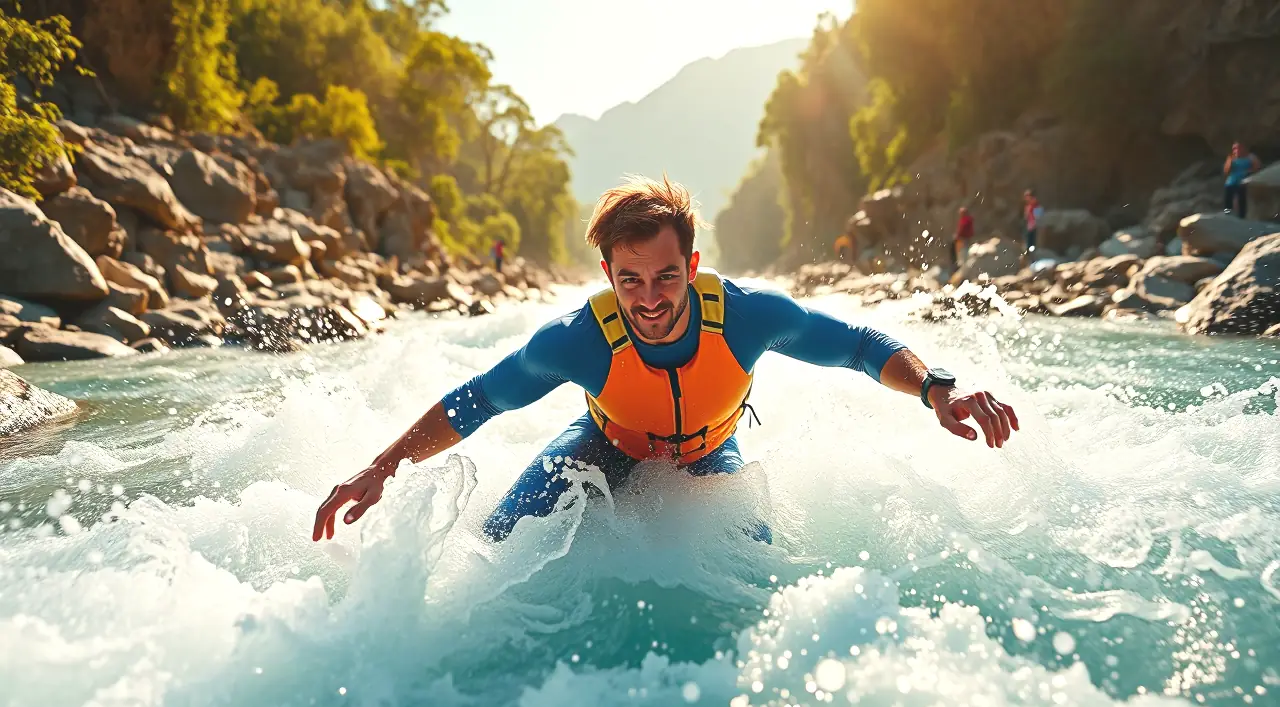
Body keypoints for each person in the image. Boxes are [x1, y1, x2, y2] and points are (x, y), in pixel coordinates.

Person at [312, 176, 1019, 545]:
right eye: (630, 279)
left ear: (694, 265)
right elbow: (479, 401)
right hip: (603, 447)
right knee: (500, 544)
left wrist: (936, 390)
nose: (648, 300)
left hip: (712, 455)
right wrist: (381, 468)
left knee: (750, 569)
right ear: (607, 271)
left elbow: (861, 346)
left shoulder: (747, 316)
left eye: (666, 277)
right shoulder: (573, 341)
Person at [1224, 141, 1262, 217]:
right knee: (1228, 199)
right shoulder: (1232, 157)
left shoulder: (1250, 157)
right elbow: (1226, 170)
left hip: (1244, 181)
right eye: (1234, 148)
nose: (1236, 150)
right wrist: (1230, 162)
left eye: (1238, 148)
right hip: (1231, 182)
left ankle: (1242, 216)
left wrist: (1249, 172)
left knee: (1242, 199)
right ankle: (1227, 213)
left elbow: (1257, 167)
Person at [1022, 189, 1043, 268]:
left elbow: (1038, 219)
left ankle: (1034, 261)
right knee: (1028, 245)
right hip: (1029, 228)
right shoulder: (1028, 207)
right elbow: (1026, 218)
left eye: (1027, 197)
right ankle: (1030, 262)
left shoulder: (1037, 207)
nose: (1026, 199)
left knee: (1033, 246)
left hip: (1035, 229)